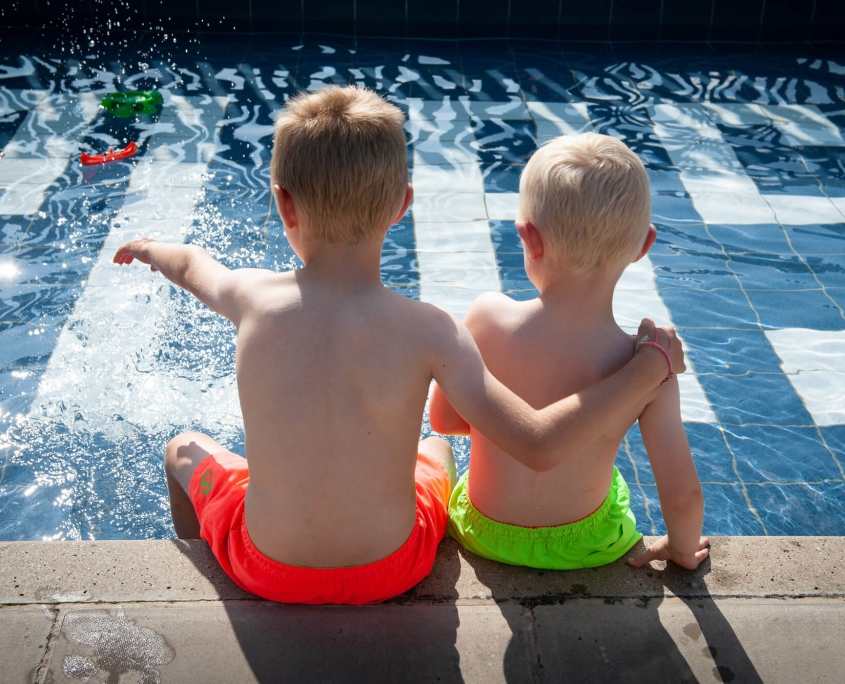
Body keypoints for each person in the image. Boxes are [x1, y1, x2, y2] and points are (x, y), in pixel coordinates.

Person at [112, 88, 682, 605]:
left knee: (181, 447)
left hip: (265, 568)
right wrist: (649, 367)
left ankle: (198, 587)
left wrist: (150, 246)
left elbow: (189, 264)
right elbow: (533, 441)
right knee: (436, 452)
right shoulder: (431, 330)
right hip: (393, 567)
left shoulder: (250, 296)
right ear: (402, 204)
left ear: (285, 204)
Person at [430, 132, 709, 571]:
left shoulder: (486, 318)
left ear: (528, 237)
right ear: (644, 247)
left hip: (484, 531)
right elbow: (682, 493)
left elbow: (444, 421)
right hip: (588, 546)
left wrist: (498, 434)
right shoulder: (647, 363)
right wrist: (681, 549)